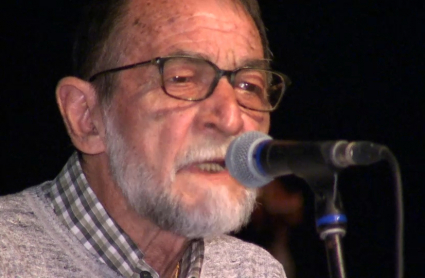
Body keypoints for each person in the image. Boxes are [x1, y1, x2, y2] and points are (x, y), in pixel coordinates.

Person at [0, 0, 291, 277]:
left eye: (248, 86)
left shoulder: (252, 270)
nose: (230, 119)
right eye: (182, 79)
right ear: (86, 117)